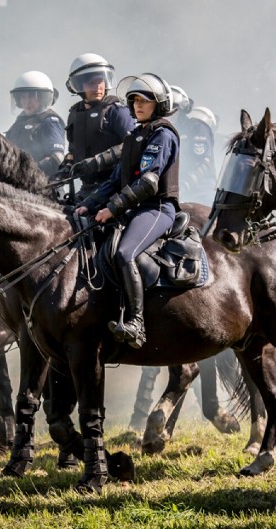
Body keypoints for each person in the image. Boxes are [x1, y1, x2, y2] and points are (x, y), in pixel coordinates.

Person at [74, 73, 180, 348]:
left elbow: (148, 183)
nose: (137, 106)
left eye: (144, 101)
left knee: (124, 253)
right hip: (132, 208)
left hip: (156, 208)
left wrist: (111, 208)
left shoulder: (162, 134)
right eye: (134, 101)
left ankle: (137, 323)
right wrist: (89, 204)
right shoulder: (135, 135)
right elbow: (114, 181)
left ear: (158, 104)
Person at [54, 53, 136, 203]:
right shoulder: (74, 114)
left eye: (100, 81)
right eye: (91, 83)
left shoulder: (117, 111)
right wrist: (61, 174)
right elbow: (73, 151)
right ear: (78, 85)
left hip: (117, 188)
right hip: (86, 189)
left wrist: (98, 161)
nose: (97, 87)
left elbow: (133, 146)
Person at [4, 70, 66, 176]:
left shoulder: (49, 121)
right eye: (23, 97)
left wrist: (29, 173)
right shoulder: (18, 124)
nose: (27, 101)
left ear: (42, 98)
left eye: (32, 96)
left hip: (46, 186)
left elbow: (56, 158)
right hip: (20, 185)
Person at [169, 85, 218, 204]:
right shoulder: (163, 130)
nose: (170, 111)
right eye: (167, 106)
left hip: (200, 193)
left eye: (175, 107)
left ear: (182, 110)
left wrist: (182, 187)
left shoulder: (197, 127)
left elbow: (203, 164)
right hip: (173, 193)